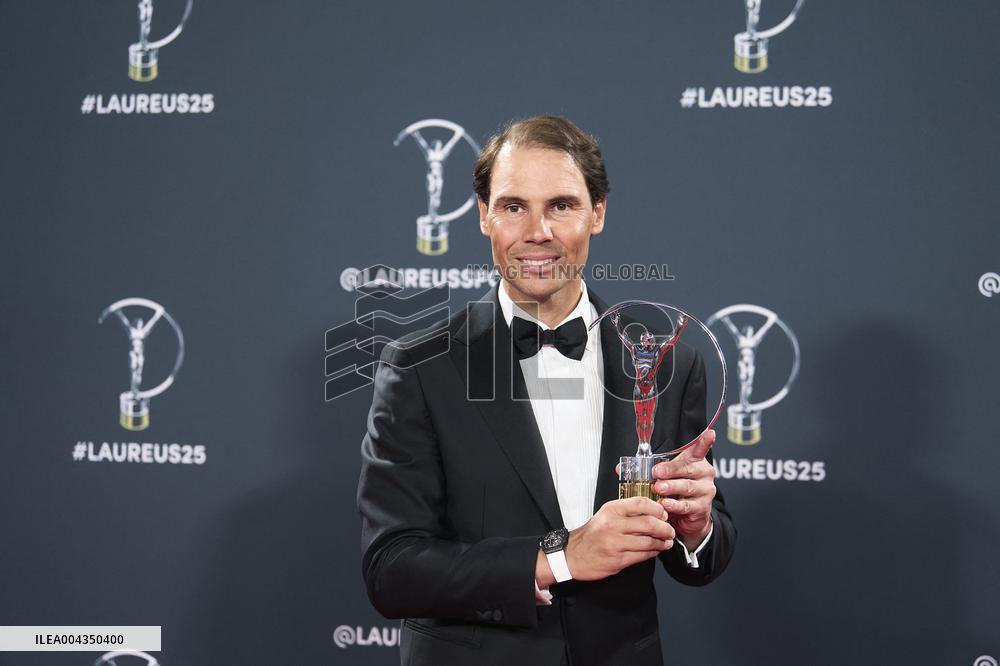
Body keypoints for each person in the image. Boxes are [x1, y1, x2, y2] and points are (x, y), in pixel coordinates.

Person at [358, 115, 736, 666]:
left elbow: (703, 558)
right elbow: (392, 569)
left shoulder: (668, 364)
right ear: (484, 215)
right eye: (514, 206)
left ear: (597, 213)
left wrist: (696, 526)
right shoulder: (420, 369)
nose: (538, 231)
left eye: (561, 205)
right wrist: (559, 558)